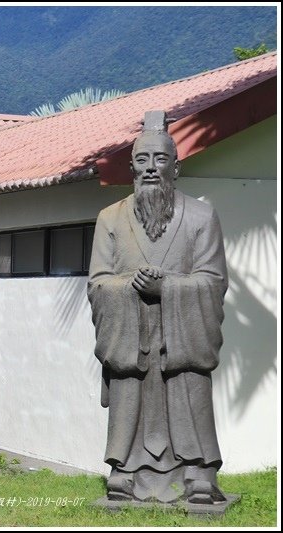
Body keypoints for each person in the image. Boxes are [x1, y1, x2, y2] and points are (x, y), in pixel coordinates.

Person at [87, 110, 229, 504]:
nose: (152, 168)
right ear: (131, 165)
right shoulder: (110, 218)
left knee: (188, 390)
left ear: (176, 167)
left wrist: (167, 286)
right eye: (143, 160)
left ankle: (198, 473)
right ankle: (125, 471)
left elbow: (213, 281)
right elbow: (98, 282)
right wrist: (130, 290)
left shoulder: (201, 216)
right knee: (130, 394)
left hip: (181, 339)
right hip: (131, 338)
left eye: (161, 159)